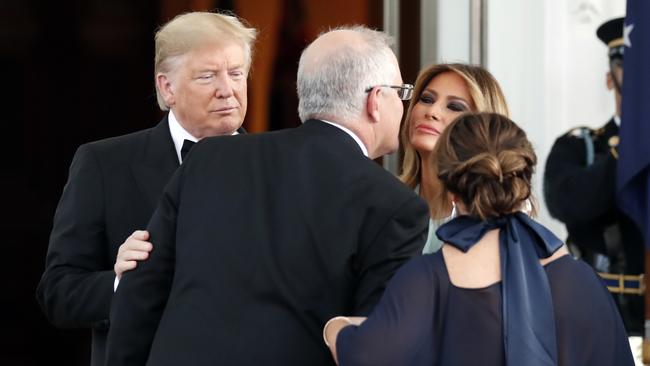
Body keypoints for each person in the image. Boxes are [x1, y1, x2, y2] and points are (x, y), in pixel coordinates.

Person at [104, 26, 429, 366]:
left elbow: (141, 290)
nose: (404, 105)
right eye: (400, 92)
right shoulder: (395, 206)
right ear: (375, 101)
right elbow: (375, 346)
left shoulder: (211, 157)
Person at [35, 12, 256, 366]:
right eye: (207, 76)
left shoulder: (280, 169)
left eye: (236, 73)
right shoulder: (104, 164)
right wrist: (123, 283)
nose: (227, 90)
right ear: (167, 87)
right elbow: (59, 293)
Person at [324, 112, 634, 366]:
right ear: (524, 182)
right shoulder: (583, 281)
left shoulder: (426, 280)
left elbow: (365, 356)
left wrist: (335, 328)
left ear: (453, 191)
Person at [544, 16, 644, 334]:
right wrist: (631, 147)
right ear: (609, 78)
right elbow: (566, 203)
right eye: (631, 67)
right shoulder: (581, 144)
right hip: (599, 311)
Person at [399, 63, 510, 254]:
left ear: (483, 128)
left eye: (454, 106)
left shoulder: (500, 220)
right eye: (426, 99)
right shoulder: (387, 204)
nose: (432, 112)